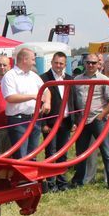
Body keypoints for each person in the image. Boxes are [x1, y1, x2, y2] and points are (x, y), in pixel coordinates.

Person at [70, 55, 109, 190]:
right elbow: (73, 101)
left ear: (98, 64)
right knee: (81, 153)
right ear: (84, 63)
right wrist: (75, 120)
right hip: (82, 121)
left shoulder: (104, 80)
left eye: (93, 63)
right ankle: (78, 181)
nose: (91, 65)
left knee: (107, 152)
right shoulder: (77, 80)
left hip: (98, 119)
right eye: (88, 63)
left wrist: (102, 115)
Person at [0, 47, 51, 159]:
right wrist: (32, 96)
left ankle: (30, 176)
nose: (34, 62)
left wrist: (47, 102)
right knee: (21, 156)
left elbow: (46, 90)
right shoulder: (10, 76)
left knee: (33, 155)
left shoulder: (33, 76)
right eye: (32, 59)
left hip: (35, 119)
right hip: (18, 121)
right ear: (24, 59)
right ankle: (21, 177)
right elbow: (10, 97)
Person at [40, 52, 74, 191]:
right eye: (56, 63)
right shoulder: (43, 79)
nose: (58, 66)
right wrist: (43, 124)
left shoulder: (70, 79)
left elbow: (73, 101)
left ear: (65, 65)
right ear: (52, 63)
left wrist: (75, 120)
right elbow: (40, 103)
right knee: (51, 153)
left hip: (66, 121)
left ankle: (62, 182)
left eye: (61, 63)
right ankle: (51, 183)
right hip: (51, 123)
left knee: (63, 153)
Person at [0, 55, 11, 154]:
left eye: (4, 65)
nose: (2, 67)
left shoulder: (13, 82)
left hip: (12, 124)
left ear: (9, 66)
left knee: (10, 153)